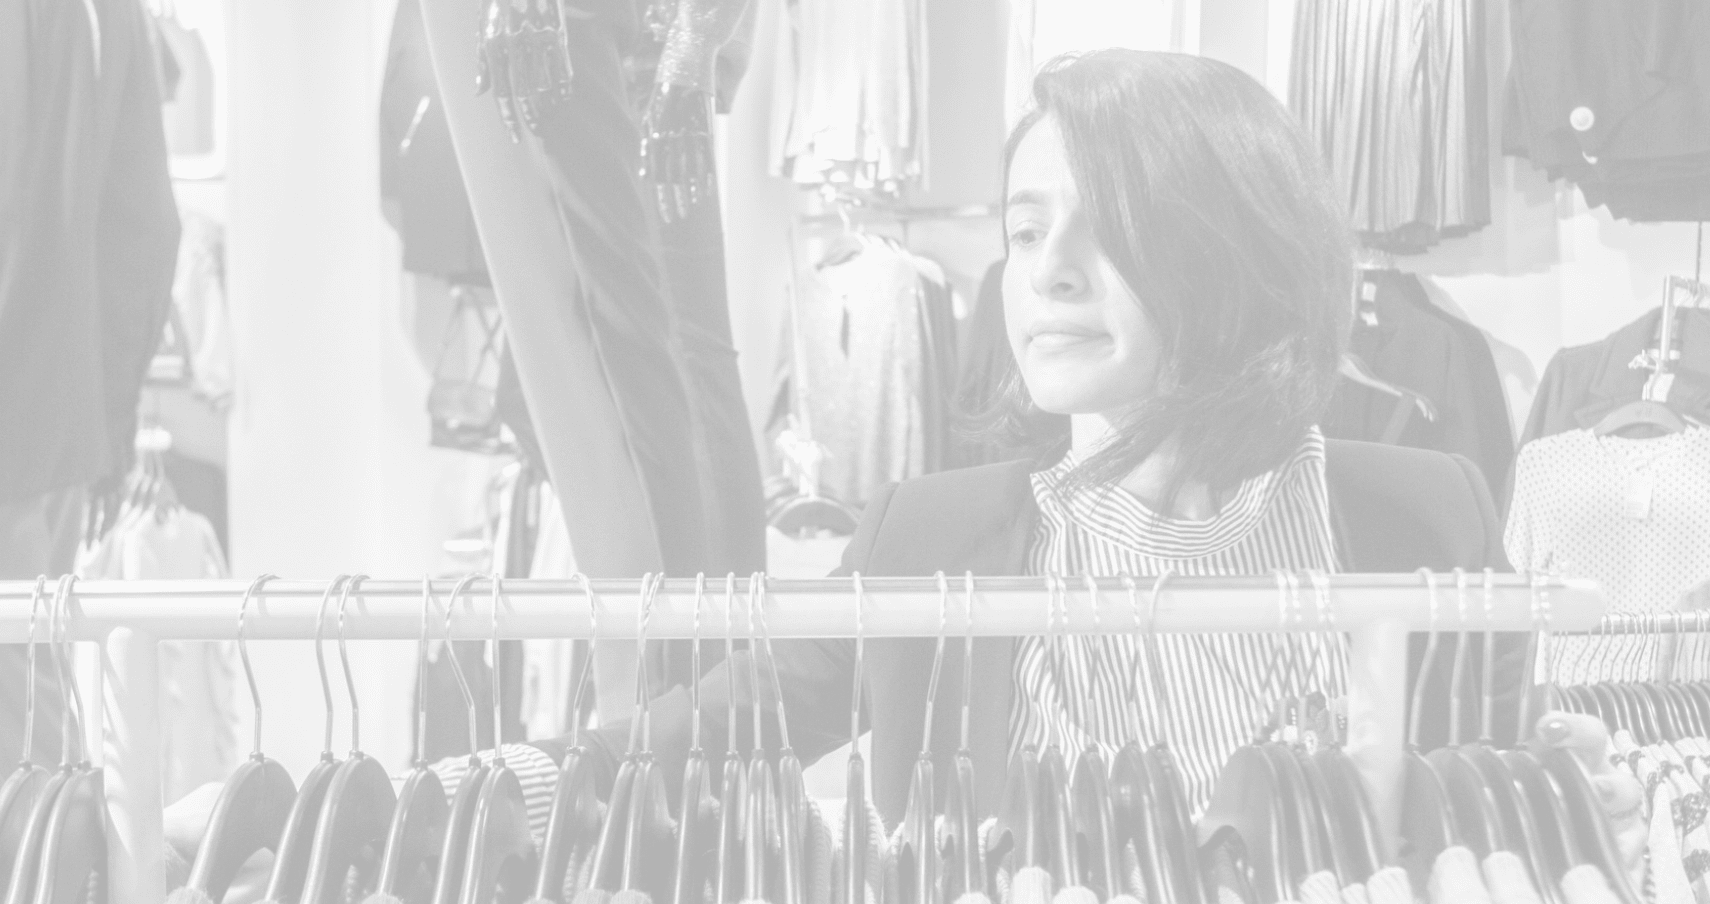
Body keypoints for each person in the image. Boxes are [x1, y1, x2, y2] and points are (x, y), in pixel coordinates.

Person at [610, 49, 1643, 861]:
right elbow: (706, 735)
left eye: (1105, 227)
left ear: (1232, 249)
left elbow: (1508, 801)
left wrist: (1570, 803)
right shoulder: (929, 536)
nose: (1046, 275)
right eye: (1023, 232)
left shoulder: (1422, 521)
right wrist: (492, 786)